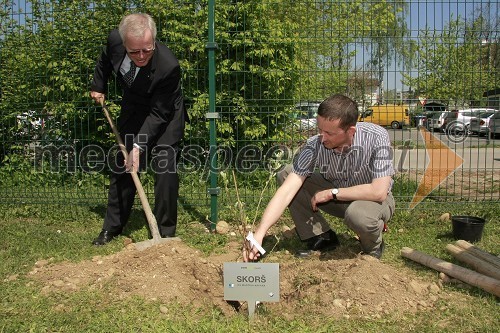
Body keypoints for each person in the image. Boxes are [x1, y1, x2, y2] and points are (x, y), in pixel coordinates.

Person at [244, 94, 395, 261]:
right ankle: (321, 237)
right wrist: (260, 233)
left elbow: (378, 192)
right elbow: (287, 190)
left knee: (359, 215)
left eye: (329, 133)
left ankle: (372, 248)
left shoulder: (375, 136)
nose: (322, 137)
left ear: (350, 131)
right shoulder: (315, 144)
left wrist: (332, 193)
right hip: (337, 201)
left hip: (371, 202)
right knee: (286, 173)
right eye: (319, 130)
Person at [90, 13, 187, 245]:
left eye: (147, 49)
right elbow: (105, 60)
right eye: (134, 52)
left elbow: (158, 114)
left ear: (153, 40)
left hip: (164, 114)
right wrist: (98, 86)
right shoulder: (115, 41)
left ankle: (165, 233)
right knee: (124, 166)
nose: (142, 56)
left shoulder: (168, 66)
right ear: (124, 44)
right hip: (135, 108)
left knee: (165, 168)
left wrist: (138, 146)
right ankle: (112, 227)